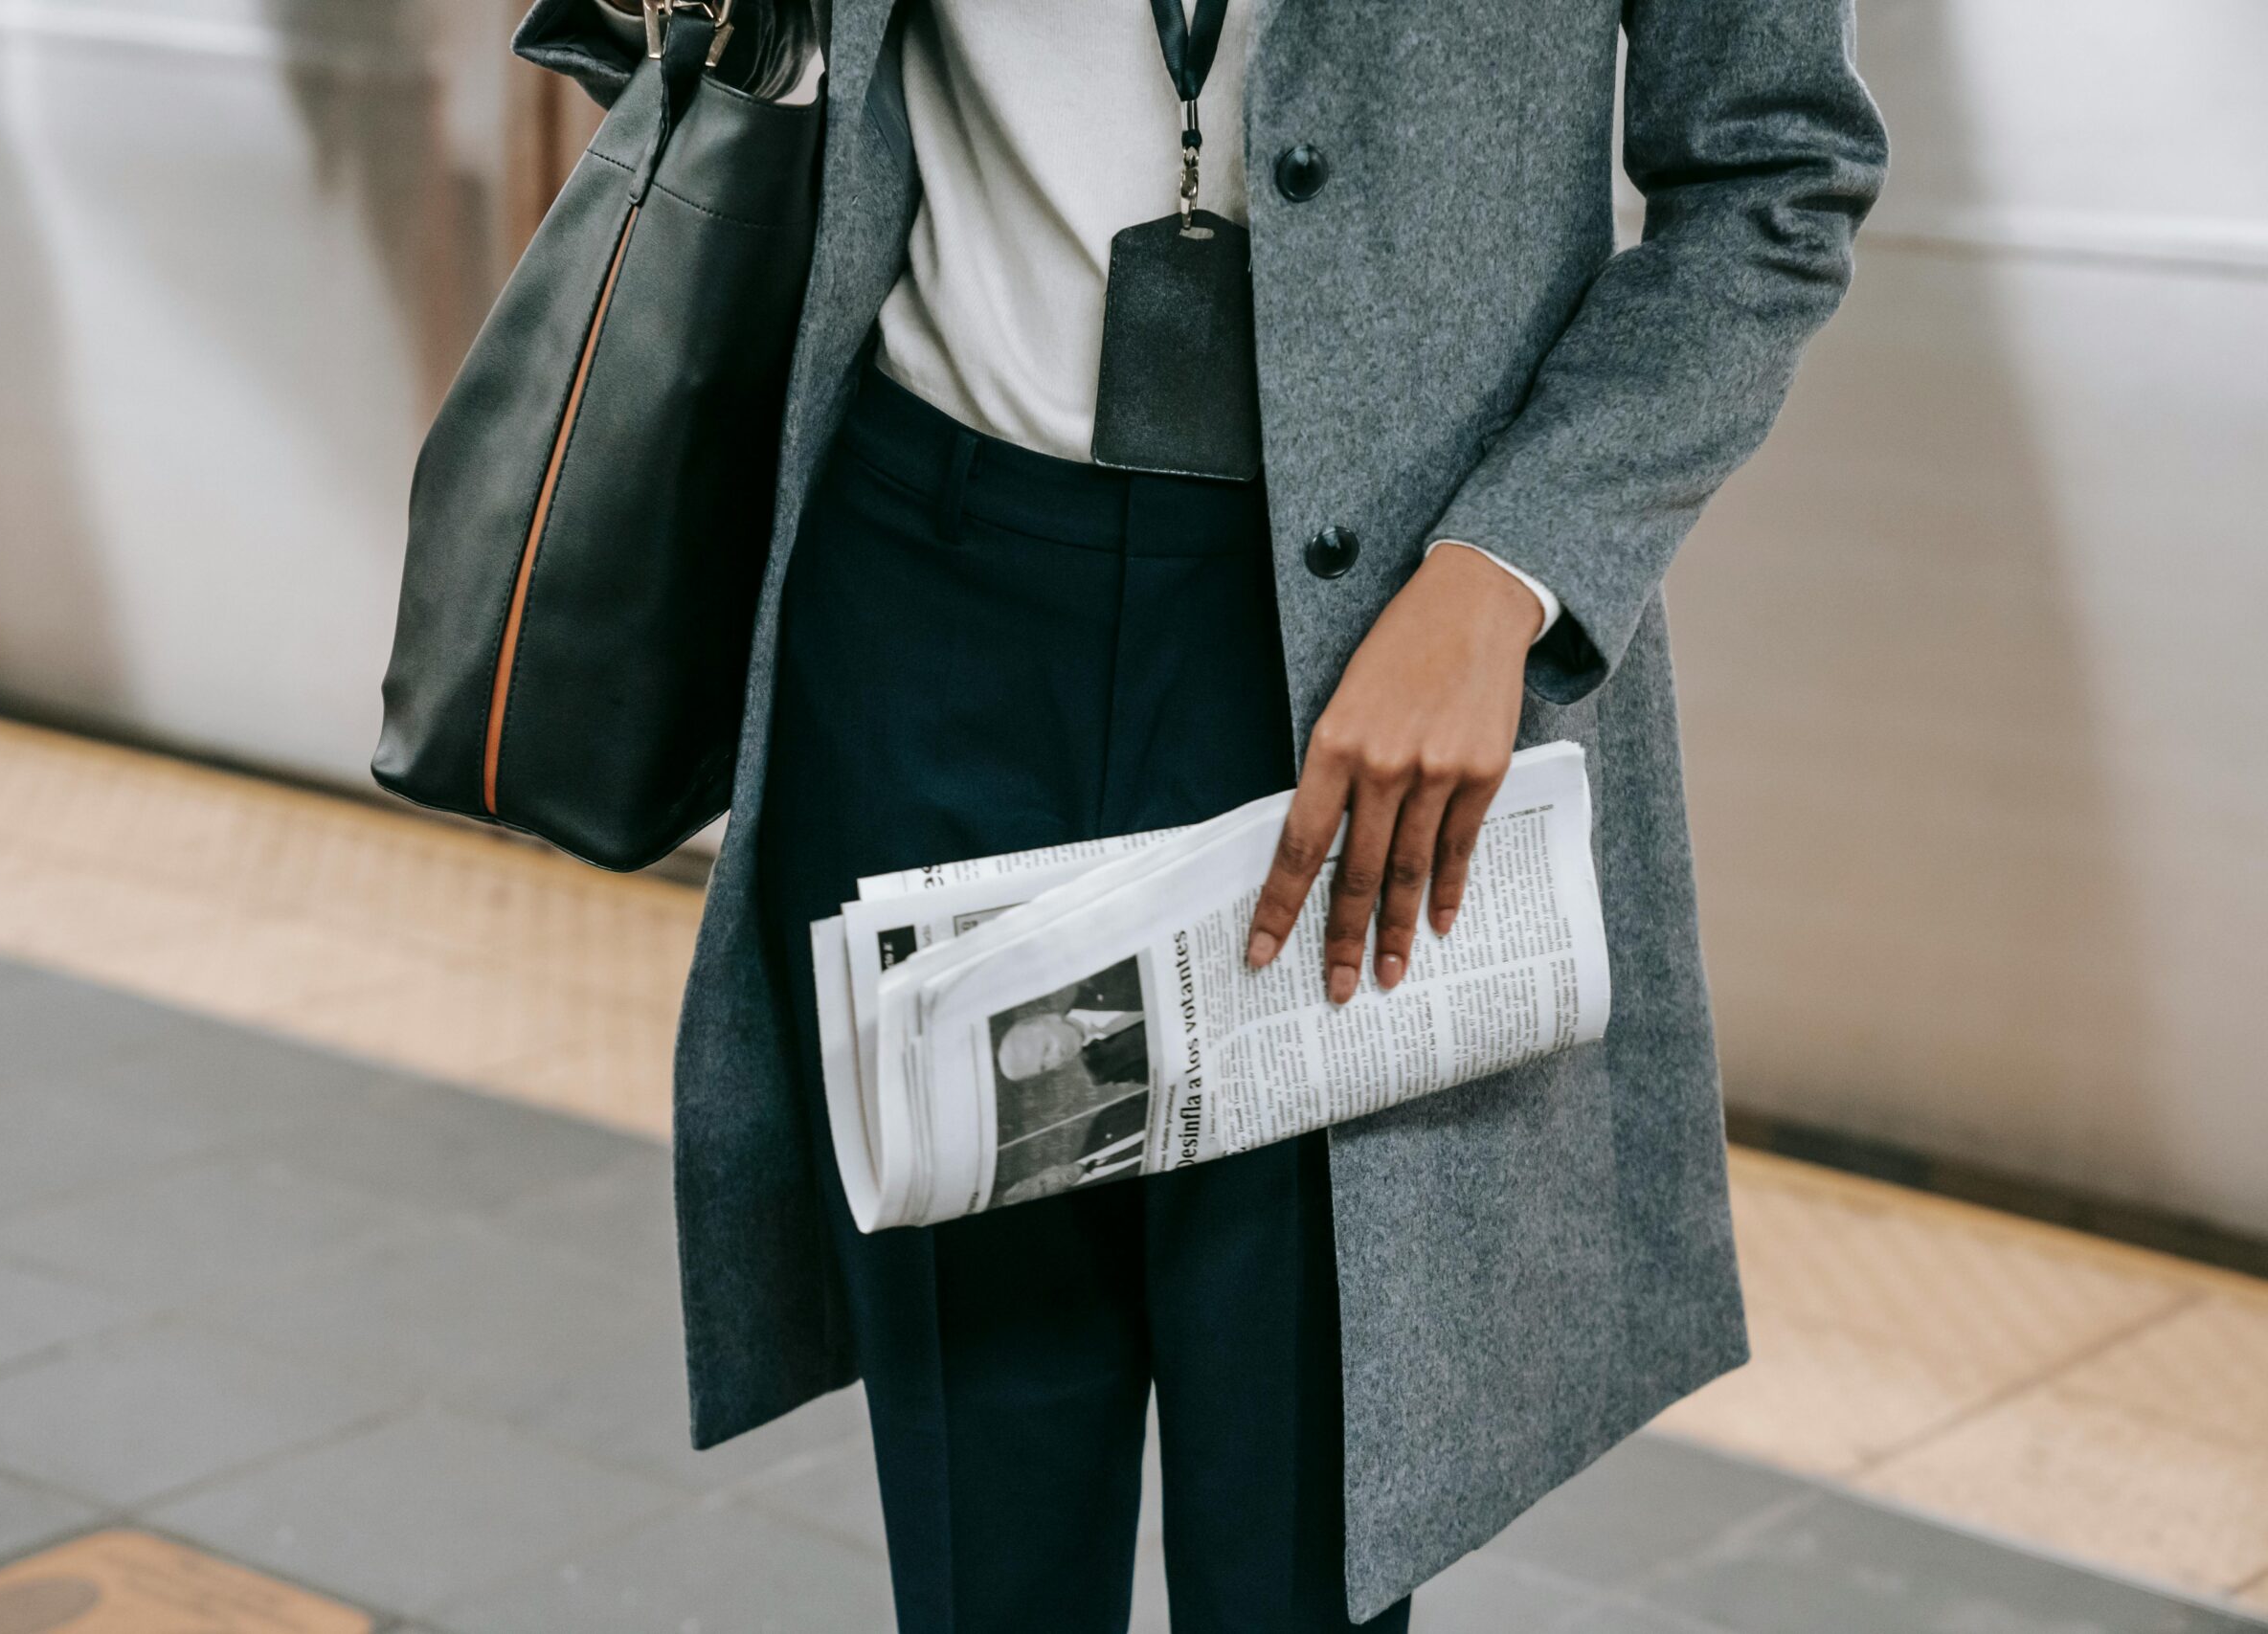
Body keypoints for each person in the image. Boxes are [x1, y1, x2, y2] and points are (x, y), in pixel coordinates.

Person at [521, 0, 1887, 1626]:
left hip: (1363, 684)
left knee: (1301, 1543)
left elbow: (1775, 176)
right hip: (928, 617)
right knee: (984, 1535)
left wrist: (1508, 570)